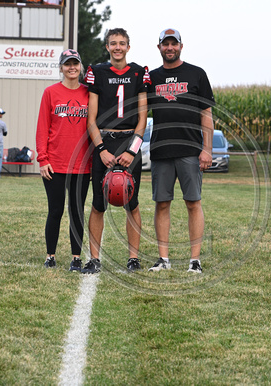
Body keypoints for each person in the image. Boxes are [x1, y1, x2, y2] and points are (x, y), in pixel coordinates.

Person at [147, 28, 215, 273]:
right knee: (162, 204)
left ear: (181, 46)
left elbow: (206, 115)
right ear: (159, 48)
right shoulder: (152, 77)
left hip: (190, 150)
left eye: (173, 44)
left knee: (193, 203)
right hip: (161, 150)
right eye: (165, 44)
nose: (170, 48)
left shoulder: (196, 74)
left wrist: (206, 149)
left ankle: (194, 260)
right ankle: (163, 259)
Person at [83, 27, 150, 274]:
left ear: (128, 47)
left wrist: (132, 151)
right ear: (107, 47)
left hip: (128, 141)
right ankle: (95, 258)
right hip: (104, 141)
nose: (118, 47)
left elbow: (143, 118)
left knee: (131, 203)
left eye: (122, 43)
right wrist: (100, 149)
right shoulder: (97, 72)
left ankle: (133, 258)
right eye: (113, 43)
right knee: (99, 203)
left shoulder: (138, 72)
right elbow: (91, 119)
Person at [36, 49, 91, 270]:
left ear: (80, 67)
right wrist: (43, 159)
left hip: (82, 164)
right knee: (56, 210)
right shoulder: (50, 92)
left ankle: (76, 257)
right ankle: (50, 255)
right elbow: (42, 128)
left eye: (75, 64)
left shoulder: (89, 93)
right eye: (67, 64)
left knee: (76, 211)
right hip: (55, 163)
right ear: (60, 68)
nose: (71, 68)